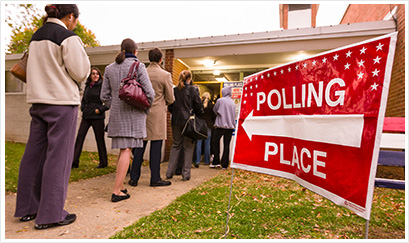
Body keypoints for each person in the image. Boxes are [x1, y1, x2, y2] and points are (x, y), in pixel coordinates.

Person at [14, 4, 90, 230]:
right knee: (59, 158)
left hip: (38, 102)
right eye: (76, 19)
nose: (75, 23)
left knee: (33, 156)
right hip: (61, 103)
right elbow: (80, 71)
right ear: (70, 17)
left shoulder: (35, 37)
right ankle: (50, 214)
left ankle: (27, 208)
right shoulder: (68, 37)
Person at [101, 38, 155, 202]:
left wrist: (115, 106)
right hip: (133, 115)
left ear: (122, 50)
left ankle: (120, 184)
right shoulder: (139, 66)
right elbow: (150, 94)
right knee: (126, 150)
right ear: (136, 51)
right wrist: (145, 109)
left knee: (122, 149)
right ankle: (117, 191)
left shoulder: (109, 68)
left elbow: (104, 96)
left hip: (117, 116)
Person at [129, 48, 174, 187]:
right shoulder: (165, 75)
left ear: (149, 58)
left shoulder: (141, 73)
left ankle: (134, 178)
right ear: (161, 59)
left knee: (139, 148)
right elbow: (171, 98)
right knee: (156, 148)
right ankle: (155, 178)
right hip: (157, 115)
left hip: (142, 112)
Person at [166, 70, 203, 181]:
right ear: (189, 79)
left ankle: (169, 172)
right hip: (189, 122)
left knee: (175, 145)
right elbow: (198, 106)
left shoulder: (175, 90)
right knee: (188, 147)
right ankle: (186, 174)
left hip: (176, 121)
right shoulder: (194, 90)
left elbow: (170, 107)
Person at [72, 67, 109, 169]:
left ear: (99, 75)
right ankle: (74, 161)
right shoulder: (88, 85)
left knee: (99, 139)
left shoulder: (102, 86)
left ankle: (103, 162)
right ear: (90, 76)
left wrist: (100, 109)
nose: (95, 75)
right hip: (86, 116)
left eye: (97, 74)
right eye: (93, 74)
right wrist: (83, 108)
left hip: (97, 117)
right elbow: (84, 99)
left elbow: (109, 101)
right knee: (80, 137)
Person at [210, 86, 236, 169]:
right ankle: (225, 164)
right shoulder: (232, 102)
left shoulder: (220, 101)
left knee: (215, 142)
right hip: (230, 126)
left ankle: (216, 161)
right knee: (226, 145)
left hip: (220, 125)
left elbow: (215, 110)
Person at [193, 92, 216, 167]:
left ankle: (197, 161)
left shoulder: (199, 106)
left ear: (202, 97)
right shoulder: (212, 106)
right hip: (208, 125)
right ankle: (206, 161)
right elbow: (214, 116)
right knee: (207, 143)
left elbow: (196, 114)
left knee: (199, 143)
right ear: (209, 98)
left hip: (200, 125)